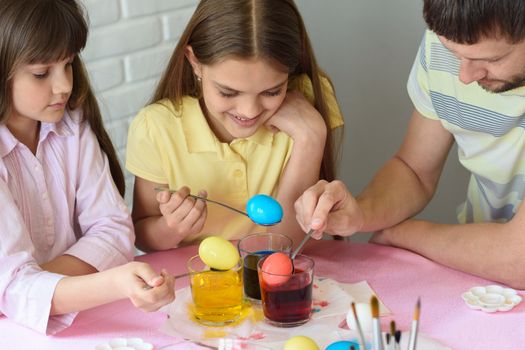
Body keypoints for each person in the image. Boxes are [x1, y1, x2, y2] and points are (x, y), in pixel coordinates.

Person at [294, 0, 525, 289]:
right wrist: (361, 212)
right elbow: (415, 170)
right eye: (453, 53)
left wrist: (402, 234)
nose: (465, 77)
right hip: (483, 280)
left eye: (492, 60)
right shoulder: (449, 45)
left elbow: (518, 259)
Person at [0, 0, 175, 334]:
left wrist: (34, 287)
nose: (64, 85)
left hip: (73, 321)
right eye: (41, 73)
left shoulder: (72, 127)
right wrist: (110, 282)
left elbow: (114, 230)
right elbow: (12, 290)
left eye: (68, 64)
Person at [126, 0, 344, 251]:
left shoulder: (309, 104)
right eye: (228, 92)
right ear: (194, 61)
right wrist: (172, 227)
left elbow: (288, 246)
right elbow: (141, 235)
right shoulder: (156, 127)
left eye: (272, 91)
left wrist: (311, 137)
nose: (249, 111)